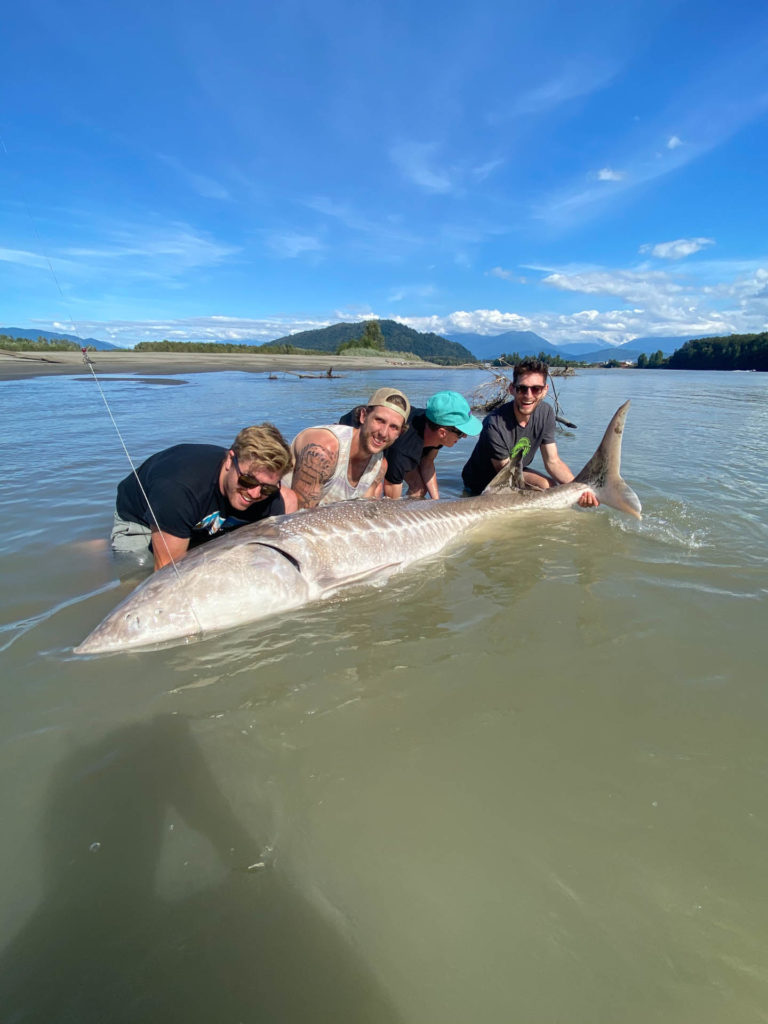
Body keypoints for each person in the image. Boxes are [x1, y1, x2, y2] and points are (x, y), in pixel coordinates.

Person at [111, 423, 298, 571]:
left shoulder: (268, 496)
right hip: (143, 518)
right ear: (228, 460)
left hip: (202, 518)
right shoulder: (178, 491)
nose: (255, 493)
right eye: (248, 480)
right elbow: (166, 572)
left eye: (267, 488)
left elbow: (289, 501)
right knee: (138, 575)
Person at [461, 358, 599, 507]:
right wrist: (551, 489)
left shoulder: (546, 413)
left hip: (516, 471)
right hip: (481, 485)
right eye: (522, 388)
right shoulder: (494, 424)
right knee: (547, 487)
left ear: (545, 390)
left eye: (536, 389)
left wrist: (579, 490)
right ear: (512, 389)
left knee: (551, 489)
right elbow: (507, 474)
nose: (528, 395)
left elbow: (553, 462)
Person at [340, 389, 482, 499]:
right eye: (460, 433)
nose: (464, 436)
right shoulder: (403, 451)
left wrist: (437, 502)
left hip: (402, 445)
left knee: (419, 488)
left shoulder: (437, 427)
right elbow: (391, 493)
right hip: (362, 433)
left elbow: (427, 462)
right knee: (371, 491)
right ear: (442, 432)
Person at [287, 387, 410, 508]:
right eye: (379, 420)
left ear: (399, 434)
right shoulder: (323, 451)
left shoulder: (379, 466)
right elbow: (299, 514)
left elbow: (364, 512)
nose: (383, 433)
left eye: (394, 427)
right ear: (363, 416)